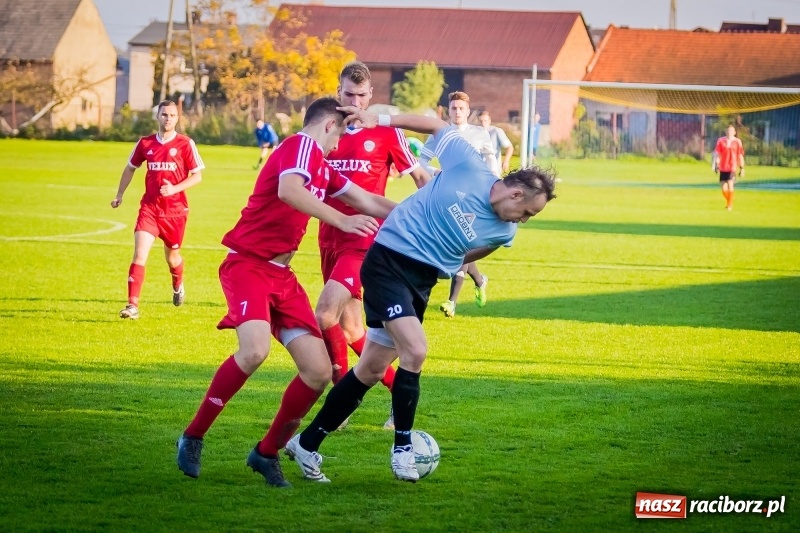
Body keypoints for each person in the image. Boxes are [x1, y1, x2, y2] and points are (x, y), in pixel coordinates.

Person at [284, 107, 557, 483]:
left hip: (421, 282)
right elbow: (434, 124)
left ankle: (306, 443)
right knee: (415, 350)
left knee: (370, 370)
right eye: (526, 211)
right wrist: (380, 120)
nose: (523, 220)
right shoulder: (469, 166)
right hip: (387, 260)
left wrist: (449, 263)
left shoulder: (504, 233)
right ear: (514, 192)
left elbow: (467, 256)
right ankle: (402, 450)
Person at [175, 97, 397, 488]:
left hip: (282, 277)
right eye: (338, 136)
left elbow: (366, 200)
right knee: (254, 351)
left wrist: (419, 215)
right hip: (248, 266)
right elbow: (289, 190)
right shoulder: (300, 146)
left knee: (318, 372)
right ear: (328, 126)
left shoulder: (321, 165)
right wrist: (342, 221)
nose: (337, 146)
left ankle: (266, 452)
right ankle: (193, 436)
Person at [316, 61, 430, 431]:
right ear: (338, 92)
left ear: (370, 96)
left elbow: (419, 177)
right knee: (351, 330)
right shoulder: (325, 129)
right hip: (329, 235)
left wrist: (434, 214)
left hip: (365, 240)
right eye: (348, 94)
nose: (354, 102)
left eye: (361, 96)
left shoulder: (385, 133)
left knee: (324, 315)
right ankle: (399, 394)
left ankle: (339, 402)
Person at [111, 100, 204, 320]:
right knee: (139, 254)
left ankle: (177, 283)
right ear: (158, 116)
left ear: (177, 118)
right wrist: (119, 194)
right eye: (164, 115)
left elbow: (197, 176)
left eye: (172, 115)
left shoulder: (185, 143)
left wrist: (174, 189)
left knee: (172, 258)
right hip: (150, 209)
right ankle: (132, 305)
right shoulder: (145, 143)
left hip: (175, 212)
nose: (168, 119)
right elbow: (130, 168)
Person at [420, 91, 494, 319]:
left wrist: (494, 183)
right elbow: (421, 160)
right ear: (449, 110)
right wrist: (436, 172)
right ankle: (479, 280)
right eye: (454, 108)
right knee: (458, 244)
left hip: (473, 197)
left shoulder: (479, 134)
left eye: (462, 108)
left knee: (461, 243)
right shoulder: (440, 133)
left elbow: (491, 158)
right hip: (447, 195)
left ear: (468, 111)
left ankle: (452, 301)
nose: (458, 112)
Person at [712, 124, 745, 211]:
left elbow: (740, 155)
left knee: (730, 185)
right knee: (724, 188)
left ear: (734, 132)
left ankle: (729, 205)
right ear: (726, 131)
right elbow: (718, 154)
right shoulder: (721, 141)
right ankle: (729, 202)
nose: (729, 132)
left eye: (731, 130)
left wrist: (742, 168)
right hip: (723, 167)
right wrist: (716, 165)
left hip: (732, 167)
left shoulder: (737, 141)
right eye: (728, 130)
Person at [478, 110, 514, 176]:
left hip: (494, 169)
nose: (483, 123)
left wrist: (506, 161)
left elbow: (509, 147)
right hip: (480, 169)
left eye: (485, 121)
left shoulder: (496, 131)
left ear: (489, 121)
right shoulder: (476, 133)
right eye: (481, 121)